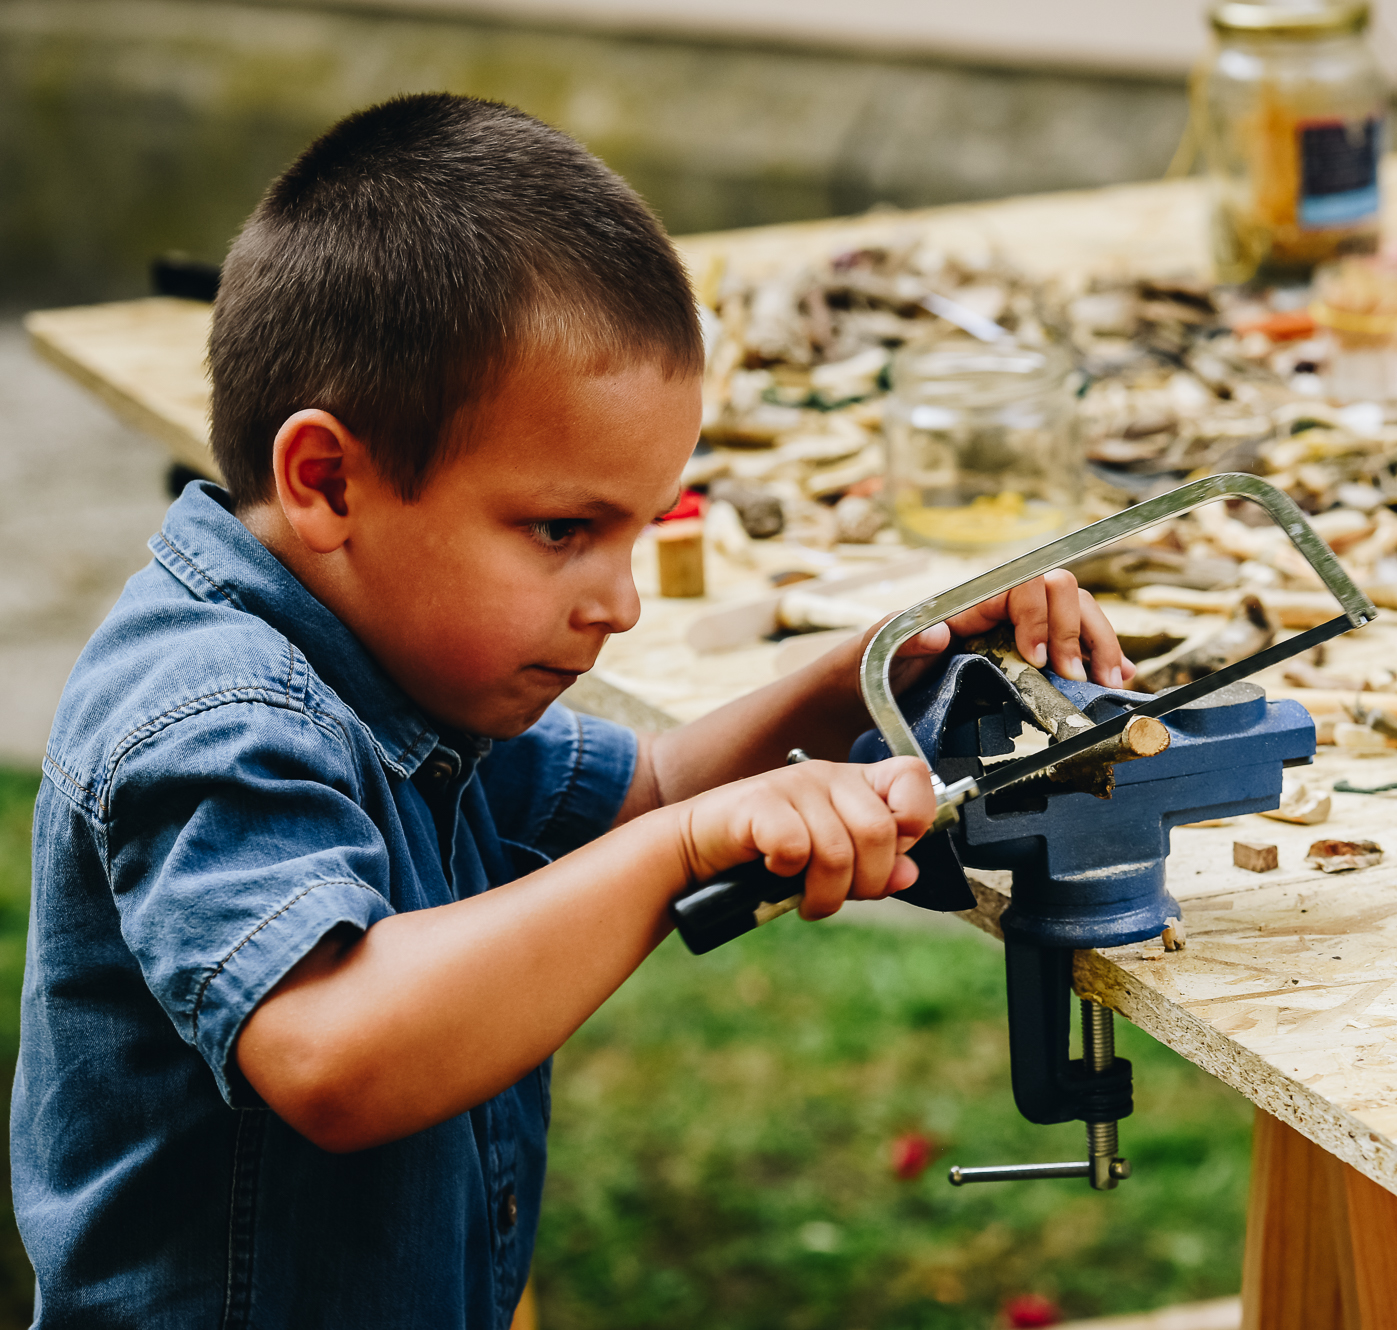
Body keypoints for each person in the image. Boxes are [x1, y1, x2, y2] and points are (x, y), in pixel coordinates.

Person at [16, 92, 1133, 1328]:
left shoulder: (398, 666)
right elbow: (332, 1052)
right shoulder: (214, 716)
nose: (620, 604)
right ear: (327, 480)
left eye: (638, 530)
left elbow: (644, 792)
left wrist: (860, 672)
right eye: (563, 531)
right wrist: (680, 855)